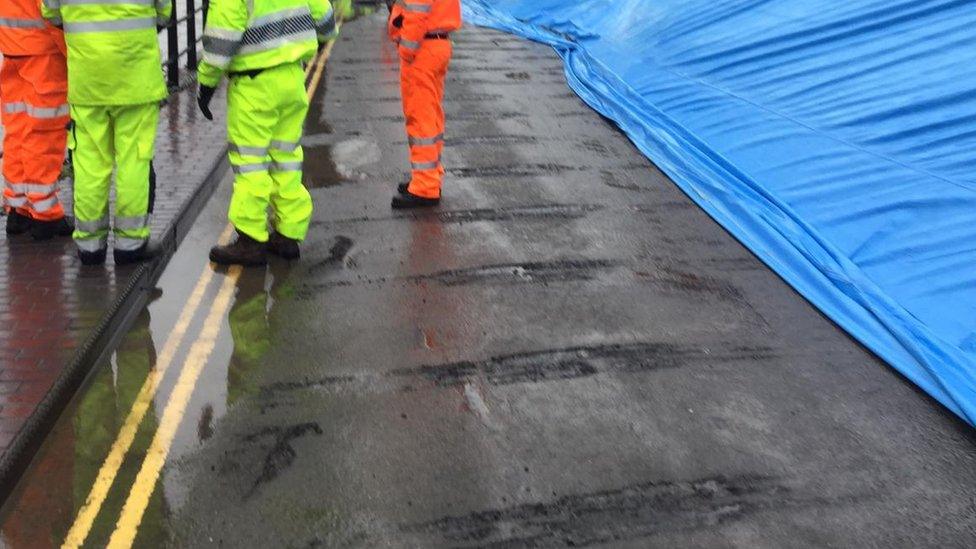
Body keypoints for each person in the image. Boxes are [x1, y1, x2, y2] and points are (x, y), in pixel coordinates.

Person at [197, 0, 338, 266]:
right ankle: (288, 234)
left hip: (254, 84)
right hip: (293, 77)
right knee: (286, 157)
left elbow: (221, 38)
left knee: (250, 162)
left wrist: (206, 83)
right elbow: (326, 19)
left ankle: (250, 239)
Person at [41, 0, 171, 265]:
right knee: (134, 161)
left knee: (89, 164)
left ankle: (90, 245)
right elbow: (164, 11)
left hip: (88, 79)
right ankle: (130, 243)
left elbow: (50, 11)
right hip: (136, 77)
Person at [0, 0, 73, 239]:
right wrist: (73, 54)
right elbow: (51, 10)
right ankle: (45, 213)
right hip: (43, 49)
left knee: (18, 128)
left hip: (12, 44)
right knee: (44, 133)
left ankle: (19, 208)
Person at [387, 0, 461, 209]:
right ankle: (428, 176)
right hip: (436, 44)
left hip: (422, 50)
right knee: (431, 115)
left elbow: (418, 10)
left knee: (421, 119)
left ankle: (425, 186)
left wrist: (406, 50)